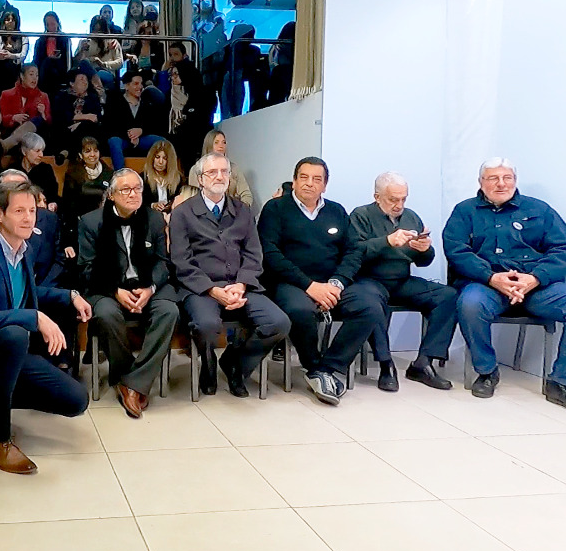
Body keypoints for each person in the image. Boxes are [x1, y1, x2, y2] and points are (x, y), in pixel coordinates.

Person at [443, 158, 566, 415]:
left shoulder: (540, 210)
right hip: (487, 285)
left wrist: (535, 278)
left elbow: (565, 249)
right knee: (469, 304)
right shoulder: (464, 211)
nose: (501, 183)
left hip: (535, 287)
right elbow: (457, 251)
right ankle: (486, 371)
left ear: (515, 181)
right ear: (481, 182)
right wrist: (492, 277)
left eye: (507, 178)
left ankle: (563, 383)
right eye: (493, 178)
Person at [0, 179, 91, 474]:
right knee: (16, 334)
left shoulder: (24, 249)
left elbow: (29, 293)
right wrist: (35, 318)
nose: (28, 218)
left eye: (32, 210)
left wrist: (70, 295)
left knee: (76, 400)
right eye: (19, 211)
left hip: (12, 355)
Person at [258, 157, 386, 405]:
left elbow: (353, 251)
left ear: (325, 185)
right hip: (291, 283)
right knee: (300, 310)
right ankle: (313, 365)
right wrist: (310, 286)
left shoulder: (336, 211)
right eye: (303, 177)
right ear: (294, 181)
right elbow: (270, 254)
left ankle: (328, 368)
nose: (309, 184)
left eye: (317, 179)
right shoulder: (275, 209)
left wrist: (337, 283)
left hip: (330, 283)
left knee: (370, 306)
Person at [169, 152, 288, 397]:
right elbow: (181, 260)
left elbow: (254, 254)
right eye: (212, 172)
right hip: (201, 287)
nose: (219, 177)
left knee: (278, 322)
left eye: (224, 171)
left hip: (240, 285)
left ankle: (236, 364)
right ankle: (208, 362)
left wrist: (242, 284)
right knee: (206, 325)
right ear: (200, 179)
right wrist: (212, 290)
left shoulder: (243, 210)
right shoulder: (183, 213)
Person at [78, 169, 179, 417]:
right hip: (107, 286)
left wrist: (150, 288)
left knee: (169, 310)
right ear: (111, 195)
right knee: (105, 314)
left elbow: (162, 262)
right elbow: (86, 268)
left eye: (138, 189)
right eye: (126, 189)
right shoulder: (91, 222)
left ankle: (134, 382)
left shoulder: (154, 219)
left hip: (147, 285)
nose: (133, 194)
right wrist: (115, 291)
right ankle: (126, 375)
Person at [347, 172, 456, 391]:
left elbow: (424, 262)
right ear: (377, 197)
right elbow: (354, 253)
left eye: (403, 199)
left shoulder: (411, 217)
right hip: (370, 280)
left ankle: (424, 362)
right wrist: (386, 241)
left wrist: (425, 251)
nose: (399, 205)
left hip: (401, 280)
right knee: (370, 302)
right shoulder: (361, 216)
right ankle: (386, 364)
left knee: (448, 296)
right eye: (393, 199)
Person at [105, 71, 168, 171]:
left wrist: (141, 131)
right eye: (136, 84)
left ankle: (159, 174)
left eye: (141, 83)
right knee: (114, 141)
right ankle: (120, 174)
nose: (140, 87)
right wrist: (129, 135)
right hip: (123, 139)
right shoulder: (115, 101)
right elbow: (110, 125)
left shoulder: (147, 102)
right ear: (126, 86)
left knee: (161, 141)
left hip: (141, 139)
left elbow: (155, 125)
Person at [60, 136, 114, 243]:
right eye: (87, 151)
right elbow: (67, 206)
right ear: (80, 155)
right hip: (80, 225)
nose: (92, 155)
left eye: (95, 150)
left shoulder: (109, 173)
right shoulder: (73, 174)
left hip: (104, 224)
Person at [166, 56, 212, 172]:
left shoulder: (203, 93)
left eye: (177, 74)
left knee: (191, 136)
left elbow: (203, 117)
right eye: (172, 75)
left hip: (197, 132)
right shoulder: (169, 95)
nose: (173, 78)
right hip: (177, 134)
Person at [51, 63, 104, 163]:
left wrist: (81, 122)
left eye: (86, 79)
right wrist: (85, 117)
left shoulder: (93, 97)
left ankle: (66, 152)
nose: (85, 81)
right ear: (72, 83)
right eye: (81, 79)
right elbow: (61, 115)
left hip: (86, 131)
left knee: (87, 127)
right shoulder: (63, 96)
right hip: (66, 130)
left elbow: (97, 117)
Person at [186, 130, 252, 206]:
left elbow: (246, 194)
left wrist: (241, 211)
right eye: (216, 142)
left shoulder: (233, 168)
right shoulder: (196, 169)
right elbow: (193, 196)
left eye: (223, 142)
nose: (221, 146)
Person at [0, 64, 51, 153]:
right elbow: (0, 118)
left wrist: (43, 113)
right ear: (22, 76)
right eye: (31, 74)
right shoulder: (6, 94)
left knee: (37, 120)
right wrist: (13, 118)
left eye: (37, 75)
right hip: (11, 130)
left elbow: (49, 122)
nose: (35, 78)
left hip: (35, 136)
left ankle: (4, 145)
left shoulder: (43, 96)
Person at [192, 0, 228, 107]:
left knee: (220, 90)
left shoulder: (219, 17)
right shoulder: (195, 20)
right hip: (202, 59)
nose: (205, 2)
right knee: (206, 93)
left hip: (217, 58)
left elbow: (220, 35)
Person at [74, 16, 124, 91]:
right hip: (88, 72)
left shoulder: (112, 42)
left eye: (99, 31)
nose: (97, 33)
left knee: (99, 74)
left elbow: (120, 62)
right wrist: (82, 50)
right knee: (84, 64)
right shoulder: (85, 42)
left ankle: (97, 86)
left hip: (105, 72)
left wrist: (104, 64)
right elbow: (77, 63)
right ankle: (98, 87)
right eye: (95, 30)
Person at [15, 133, 60, 212]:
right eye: (37, 151)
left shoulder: (46, 169)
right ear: (24, 151)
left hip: (43, 210)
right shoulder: (14, 171)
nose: (41, 155)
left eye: (42, 151)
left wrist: (52, 203)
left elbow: (53, 194)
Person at [0, 11, 27, 94]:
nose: (10, 22)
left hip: (15, 68)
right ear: (4, 22)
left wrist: (11, 56)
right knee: (1, 65)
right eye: (8, 19)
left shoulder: (23, 37)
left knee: (9, 65)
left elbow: (23, 55)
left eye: (13, 20)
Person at [33, 11, 71, 96]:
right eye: (48, 24)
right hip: (45, 70)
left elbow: (68, 60)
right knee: (47, 62)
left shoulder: (65, 39)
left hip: (60, 68)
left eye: (53, 24)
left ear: (58, 23)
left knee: (50, 64)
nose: (51, 27)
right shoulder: (40, 41)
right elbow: (36, 60)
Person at [141, 138, 183, 214]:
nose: (160, 162)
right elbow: (139, 203)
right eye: (157, 157)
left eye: (165, 158)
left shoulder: (178, 178)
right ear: (152, 158)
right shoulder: (142, 178)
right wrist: (153, 205)